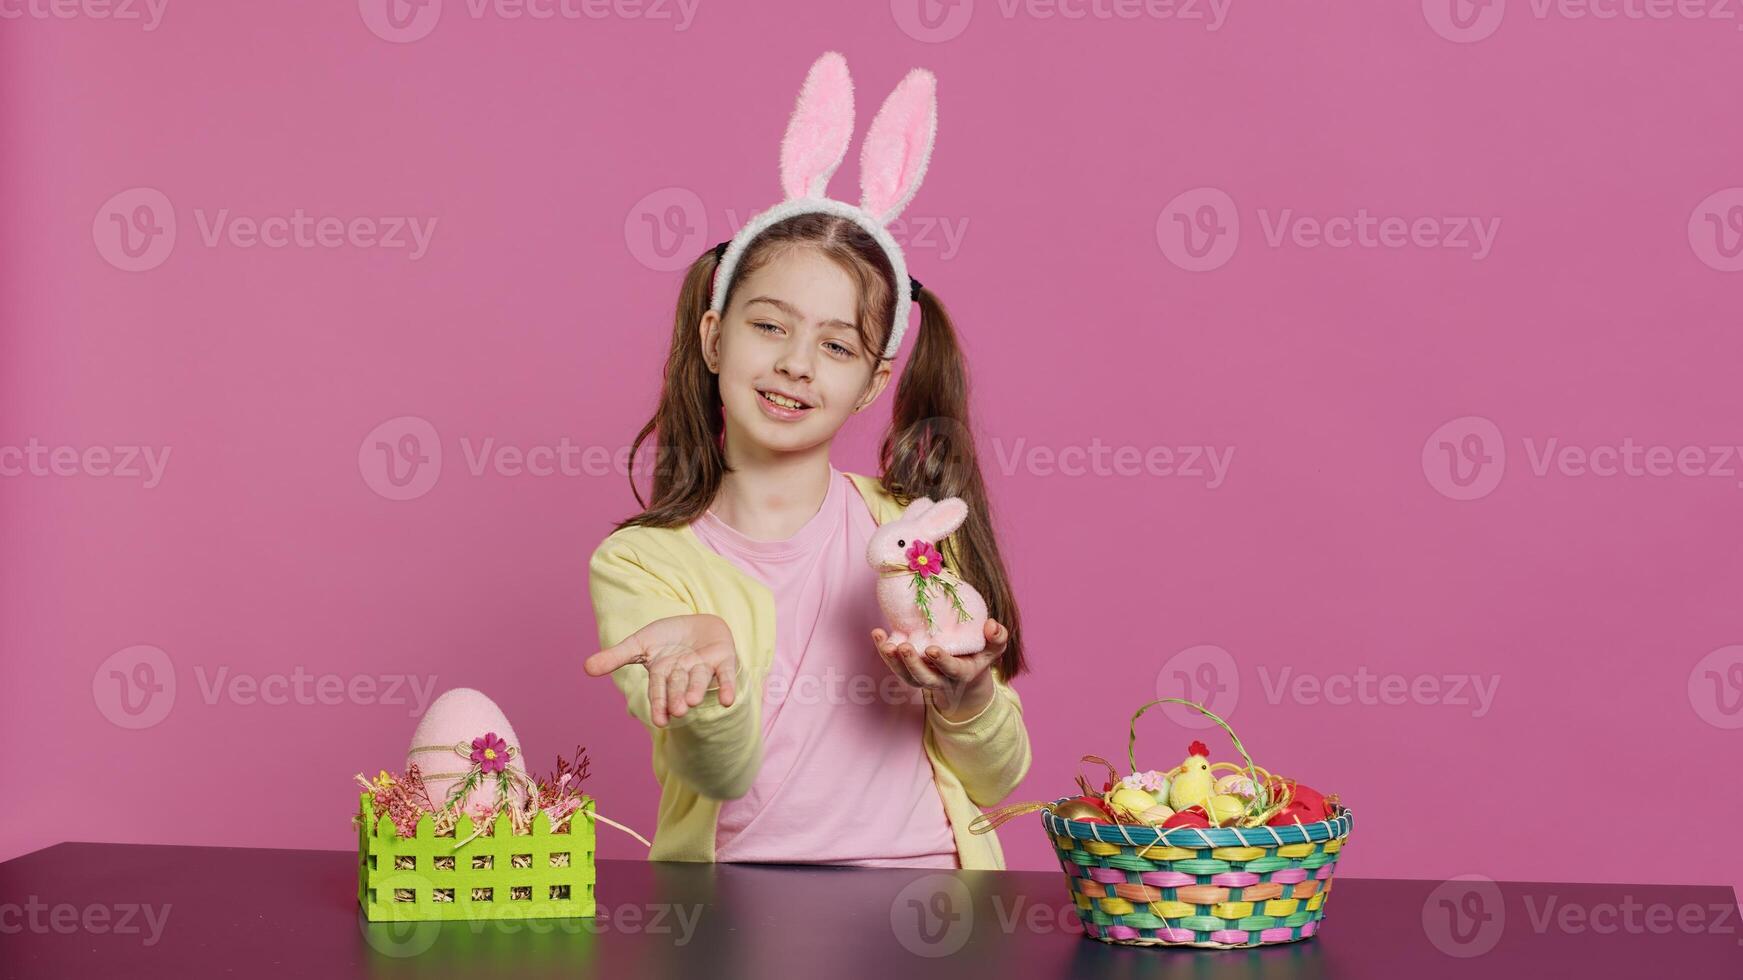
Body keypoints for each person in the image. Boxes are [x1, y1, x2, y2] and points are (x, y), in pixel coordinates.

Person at [583, 52, 1031, 869]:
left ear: (870, 384)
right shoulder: (641, 562)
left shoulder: (912, 530)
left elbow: (997, 778)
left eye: (835, 345)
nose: (796, 364)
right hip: (729, 908)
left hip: (926, 900)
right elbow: (715, 770)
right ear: (714, 338)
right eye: (768, 326)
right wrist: (708, 672)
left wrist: (967, 697)